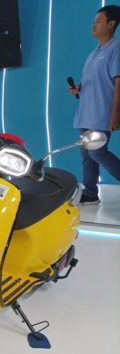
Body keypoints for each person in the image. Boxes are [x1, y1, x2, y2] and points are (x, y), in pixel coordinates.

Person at [69, 5, 120, 205]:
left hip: (102, 113)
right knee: (87, 156)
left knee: (97, 151)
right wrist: (78, 89)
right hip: (86, 113)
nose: (94, 24)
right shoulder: (93, 54)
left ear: (111, 24)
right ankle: (90, 193)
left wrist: (116, 113)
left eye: (98, 21)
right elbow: (95, 83)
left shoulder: (115, 48)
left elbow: (118, 82)